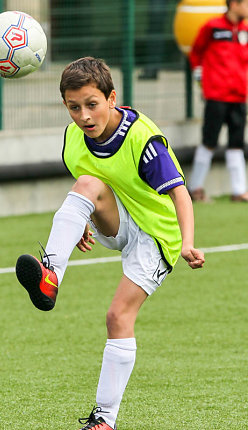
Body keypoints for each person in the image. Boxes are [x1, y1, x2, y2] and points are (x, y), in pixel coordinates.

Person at [15, 57, 205, 430]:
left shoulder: (142, 139)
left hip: (157, 236)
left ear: (112, 98)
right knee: (85, 185)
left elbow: (181, 195)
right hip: (118, 220)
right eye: (74, 107)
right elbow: (92, 186)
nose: (84, 116)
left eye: (92, 104)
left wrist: (187, 243)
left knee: (117, 318)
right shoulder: (74, 139)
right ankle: (49, 276)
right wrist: (84, 217)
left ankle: (104, 421)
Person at [188, 0, 248, 202]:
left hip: (239, 96)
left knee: (237, 144)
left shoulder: (245, 30)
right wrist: (200, 78)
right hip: (216, 96)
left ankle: (239, 192)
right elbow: (195, 52)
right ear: (233, 4)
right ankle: (195, 189)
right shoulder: (212, 27)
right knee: (209, 141)